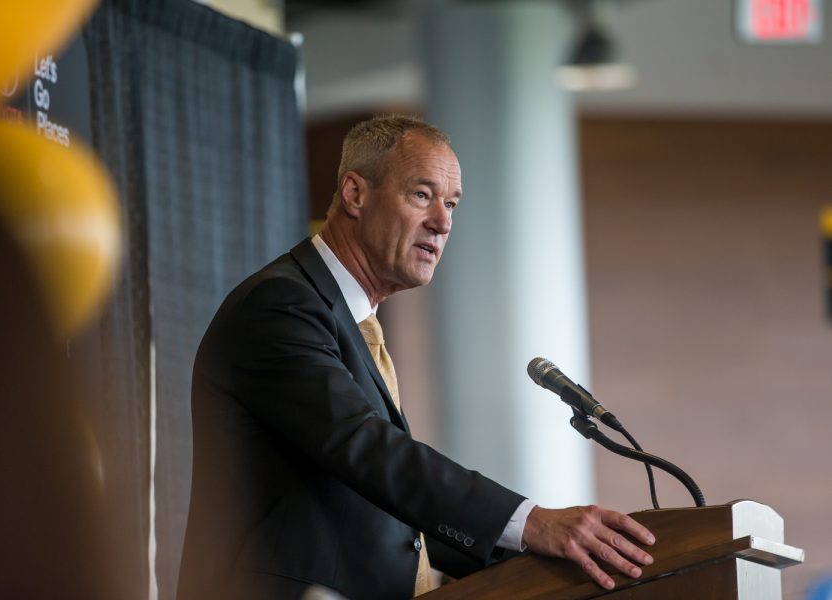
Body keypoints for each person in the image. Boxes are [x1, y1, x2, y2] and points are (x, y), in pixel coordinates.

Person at [177, 115, 655, 600]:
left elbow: (387, 514)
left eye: (450, 204)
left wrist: (550, 557)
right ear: (355, 194)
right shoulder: (281, 305)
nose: (443, 223)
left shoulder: (350, 321)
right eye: (422, 195)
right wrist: (530, 523)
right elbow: (366, 448)